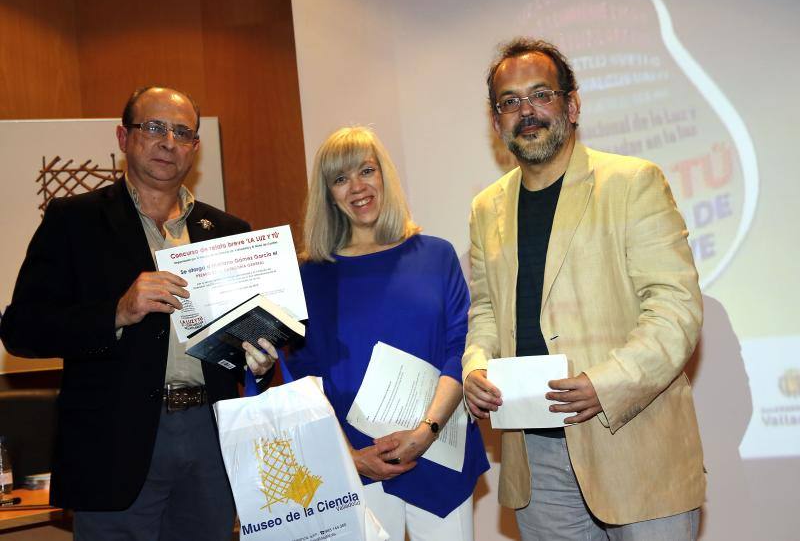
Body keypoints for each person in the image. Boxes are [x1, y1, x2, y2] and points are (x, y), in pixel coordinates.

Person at [0, 86, 275, 540]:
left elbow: (245, 339)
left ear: (195, 148)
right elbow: (21, 330)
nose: (168, 141)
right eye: (154, 127)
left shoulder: (227, 231)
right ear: (124, 138)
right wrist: (116, 313)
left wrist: (258, 362)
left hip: (210, 436)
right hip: (114, 441)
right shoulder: (74, 220)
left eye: (182, 132)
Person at [462, 38, 705, 540]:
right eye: (509, 102)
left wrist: (606, 384)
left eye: (541, 95)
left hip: (636, 443)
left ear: (572, 105)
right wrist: (476, 366)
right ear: (496, 121)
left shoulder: (633, 182)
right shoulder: (486, 208)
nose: (526, 112)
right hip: (536, 457)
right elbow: (486, 310)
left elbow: (675, 309)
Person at [245, 126, 488, 540]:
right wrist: (349, 457)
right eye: (340, 179)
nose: (356, 187)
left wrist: (425, 433)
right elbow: (306, 376)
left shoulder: (436, 255)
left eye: (366, 171)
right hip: (356, 461)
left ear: (384, 176)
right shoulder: (310, 276)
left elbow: (458, 350)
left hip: (439, 449)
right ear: (328, 194)